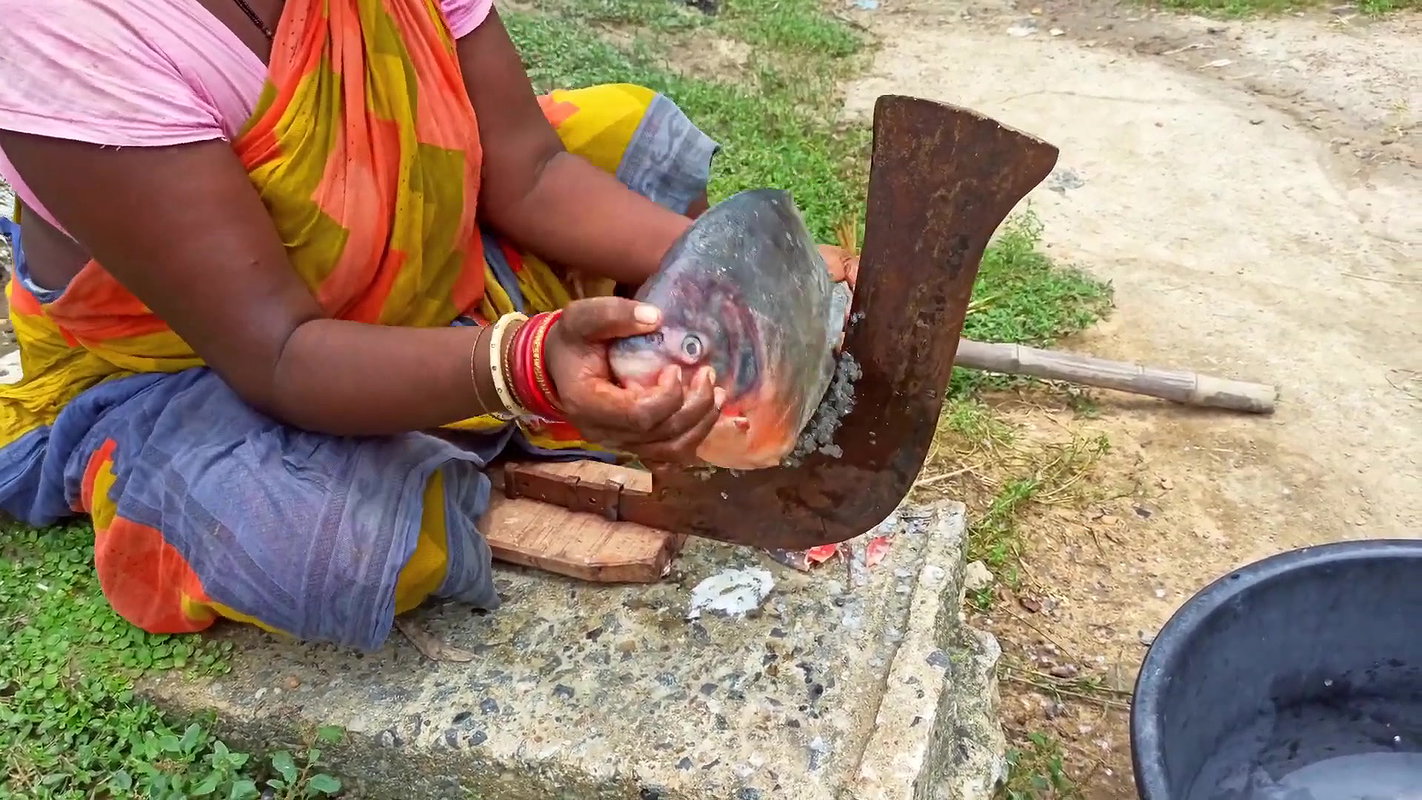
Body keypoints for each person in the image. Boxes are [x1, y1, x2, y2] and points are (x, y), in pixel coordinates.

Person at [0, 0, 858, 650]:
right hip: (213, 366)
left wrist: (737, 282)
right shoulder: (67, 28)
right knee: (323, 541)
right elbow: (278, 351)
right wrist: (526, 364)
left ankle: (475, 401)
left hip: (425, 264)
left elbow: (530, 171)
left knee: (620, 131)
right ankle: (443, 454)